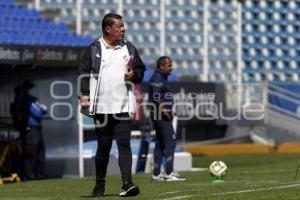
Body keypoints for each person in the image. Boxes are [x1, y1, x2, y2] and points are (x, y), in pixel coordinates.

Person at [79, 13, 145, 197]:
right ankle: (99, 186)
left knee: (124, 144)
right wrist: (84, 96)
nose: (123, 29)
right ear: (108, 29)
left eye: (123, 26)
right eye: (120, 26)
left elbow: (140, 71)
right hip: (101, 108)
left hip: (123, 107)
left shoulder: (129, 48)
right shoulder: (93, 49)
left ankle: (127, 184)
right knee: (104, 147)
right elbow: (83, 72)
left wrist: (134, 75)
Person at [148, 56, 186, 181]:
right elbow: (157, 96)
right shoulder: (158, 78)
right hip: (161, 115)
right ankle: (169, 172)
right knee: (171, 141)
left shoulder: (161, 77)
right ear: (161, 66)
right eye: (169, 65)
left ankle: (156, 173)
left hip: (159, 115)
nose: (171, 68)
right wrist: (165, 111)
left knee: (160, 144)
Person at [22, 80, 48, 180]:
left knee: (41, 153)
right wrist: (41, 109)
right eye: (29, 87)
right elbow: (38, 113)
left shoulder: (33, 99)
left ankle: (40, 176)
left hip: (38, 129)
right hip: (31, 129)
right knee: (31, 154)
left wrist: (41, 109)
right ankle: (29, 176)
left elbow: (45, 110)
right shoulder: (27, 99)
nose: (30, 90)